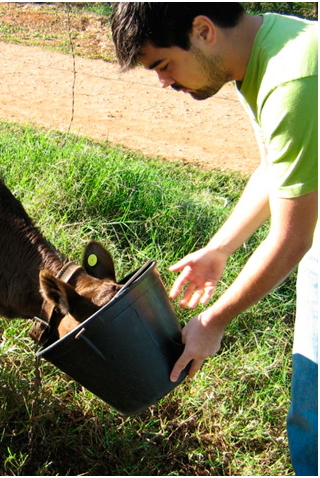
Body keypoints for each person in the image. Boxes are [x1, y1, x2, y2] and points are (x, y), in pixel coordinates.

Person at [111, 3, 317, 475]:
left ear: (202, 30)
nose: (163, 82)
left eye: (163, 64)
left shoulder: (291, 82)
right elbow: (278, 169)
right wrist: (221, 247)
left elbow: (292, 239)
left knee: (315, 417)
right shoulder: (269, 47)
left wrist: (214, 320)